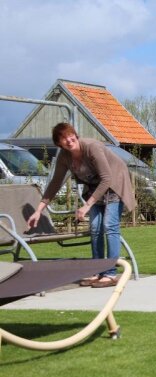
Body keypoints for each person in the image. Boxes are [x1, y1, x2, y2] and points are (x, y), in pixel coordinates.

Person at [26, 122, 135, 288]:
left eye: (70, 135)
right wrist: (39, 210)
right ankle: (98, 271)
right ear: (58, 143)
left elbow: (107, 179)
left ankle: (111, 273)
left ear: (75, 134)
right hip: (94, 188)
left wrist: (86, 206)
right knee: (95, 227)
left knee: (109, 225)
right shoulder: (64, 157)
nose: (68, 140)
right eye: (63, 138)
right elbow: (55, 183)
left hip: (114, 183)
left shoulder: (91, 147)